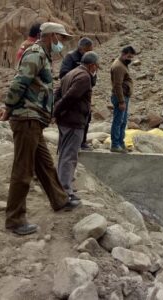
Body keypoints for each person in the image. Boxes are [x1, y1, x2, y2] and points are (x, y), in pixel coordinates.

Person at [0, 22, 78, 236]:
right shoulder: (36, 54)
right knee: (23, 170)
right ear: (51, 36)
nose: (61, 43)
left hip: (34, 119)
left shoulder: (43, 54)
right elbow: (20, 82)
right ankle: (15, 220)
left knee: (44, 163)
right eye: (60, 39)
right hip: (26, 118)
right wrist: (8, 107)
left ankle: (60, 200)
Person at [53, 52, 99, 201]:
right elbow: (70, 97)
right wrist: (56, 111)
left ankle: (62, 185)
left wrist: (56, 111)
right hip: (73, 121)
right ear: (92, 65)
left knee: (64, 153)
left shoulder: (72, 72)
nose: (96, 69)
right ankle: (65, 192)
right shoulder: (84, 77)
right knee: (69, 156)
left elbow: (58, 92)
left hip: (65, 120)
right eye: (96, 66)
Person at [59, 37, 95, 151]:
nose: (89, 52)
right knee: (71, 118)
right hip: (72, 92)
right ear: (81, 48)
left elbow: (93, 78)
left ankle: (82, 142)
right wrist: (78, 76)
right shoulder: (71, 57)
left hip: (84, 94)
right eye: (87, 50)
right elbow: (63, 75)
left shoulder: (90, 60)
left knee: (86, 116)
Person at [109, 46, 137, 153]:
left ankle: (121, 143)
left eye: (132, 57)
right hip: (120, 97)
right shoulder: (118, 67)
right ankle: (115, 145)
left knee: (123, 121)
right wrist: (121, 101)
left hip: (124, 97)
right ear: (123, 54)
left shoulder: (123, 64)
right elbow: (117, 85)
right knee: (118, 121)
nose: (130, 59)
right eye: (129, 56)